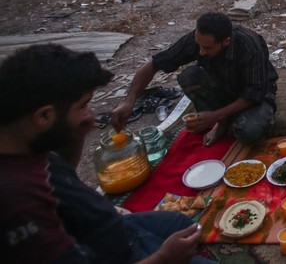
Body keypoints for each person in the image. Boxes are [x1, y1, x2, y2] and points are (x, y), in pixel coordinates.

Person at [0, 44, 213, 263]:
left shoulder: (26, 144)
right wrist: (163, 258)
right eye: (83, 105)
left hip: (118, 229)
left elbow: (62, 178)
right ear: (44, 117)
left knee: (182, 224)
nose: (90, 116)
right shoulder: (17, 203)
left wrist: (76, 134)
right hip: (123, 255)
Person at [111, 12, 278, 146]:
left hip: (252, 93)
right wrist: (129, 100)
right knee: (189, 76)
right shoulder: (198, 41)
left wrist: (215, 116)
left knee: (250, 132)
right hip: (221, 86)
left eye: (207, 48)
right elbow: (154, 64)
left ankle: (221, 120)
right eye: (199, 45)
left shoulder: (248, 45)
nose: (201, 52)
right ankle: (221, 121)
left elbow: (255, 92)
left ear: (226, 41)